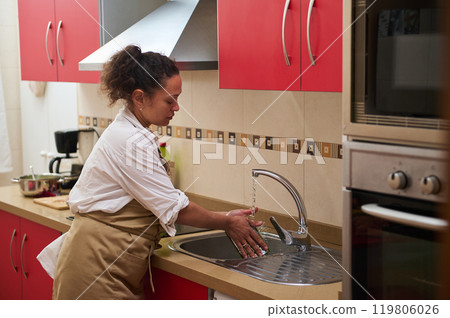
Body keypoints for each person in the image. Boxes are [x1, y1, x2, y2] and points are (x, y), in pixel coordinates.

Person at [50, 45, 267, 300]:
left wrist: (224, 215)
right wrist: (227, 222)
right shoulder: (131, 140)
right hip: (96, 268)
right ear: (140, 98)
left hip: (108, 262)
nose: (176, 107)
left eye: (178, 98)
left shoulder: (133, 131)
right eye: (169, 100)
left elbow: (162, 202)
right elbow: (176, 209)